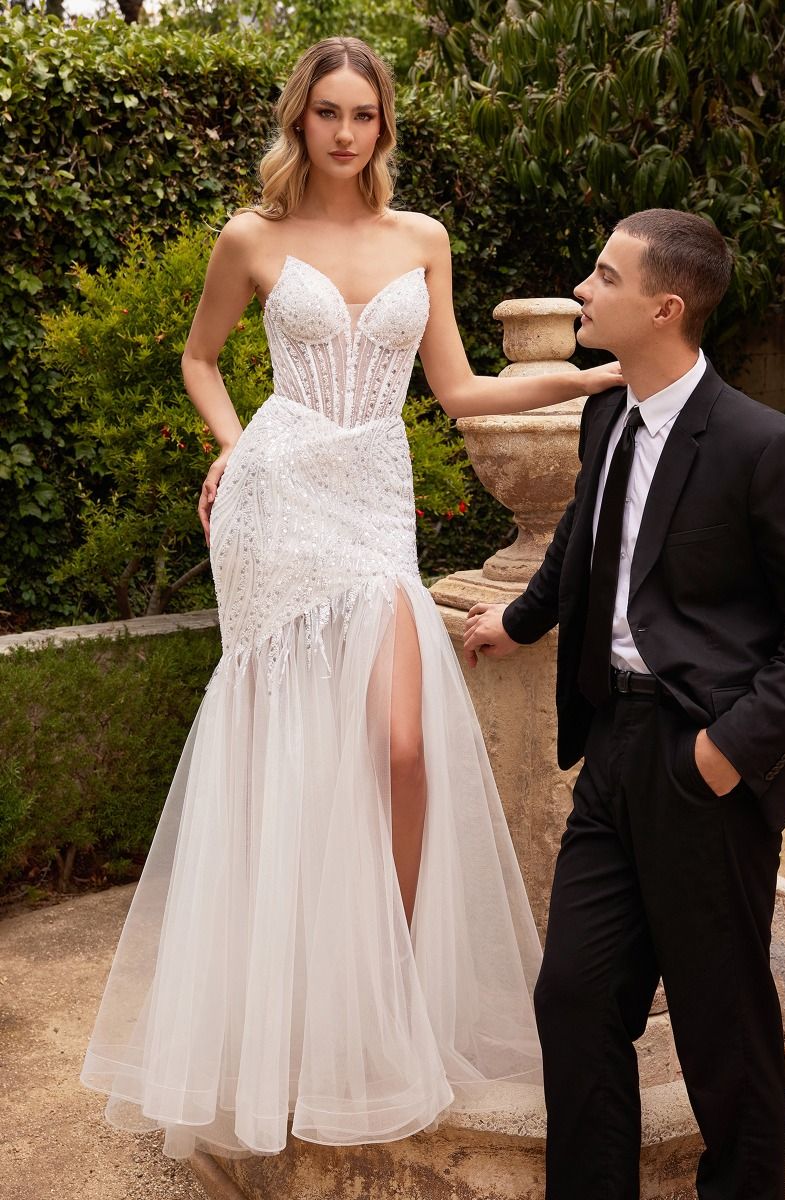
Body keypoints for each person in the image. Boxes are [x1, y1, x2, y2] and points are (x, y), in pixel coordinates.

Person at [80, 36, 623, 1161]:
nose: (341, 131)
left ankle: (384, 984)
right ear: (300, 120)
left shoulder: (419, 238)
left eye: (361, 115)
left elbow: (459, 385)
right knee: (287, 745)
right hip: (279, 503)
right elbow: (201, 358)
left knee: (400, 747)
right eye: (324, 112)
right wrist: (232, 450)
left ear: (382, 127)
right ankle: (288, 1006)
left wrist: (581, 375)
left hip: (372, 503)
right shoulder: (252, 236)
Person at [464, 207, 785, 1199]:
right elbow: (580, 536)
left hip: (700, 764)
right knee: (571, 995)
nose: (581, 289)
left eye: (601, 277)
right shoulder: (608, 414)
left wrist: (728, 749)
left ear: (662, 307)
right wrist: (519, 619)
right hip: (609, 750)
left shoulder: (761, 445)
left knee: (718, 1023)